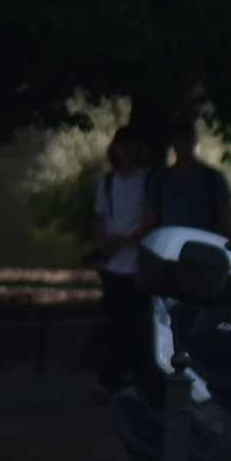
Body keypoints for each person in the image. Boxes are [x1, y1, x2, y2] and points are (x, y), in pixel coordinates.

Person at [93, 126, 158, 399]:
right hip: (113, 267)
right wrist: (104, 242)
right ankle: (150, 382)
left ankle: (107, 382)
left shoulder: (147, 180)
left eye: (132, 145)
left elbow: (150, 221)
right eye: (122, 145)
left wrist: (127, 240)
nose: (127, 151)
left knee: (125, 325)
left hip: (136, 265)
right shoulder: (107, 182)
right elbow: (99, 218)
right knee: (127, 327)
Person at [150, 122, 231, 236]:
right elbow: (149, 221)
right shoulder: (161, 179)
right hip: (170, 249)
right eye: (179, 139)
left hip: (203, 249)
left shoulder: (212, 178)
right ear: (172, 142)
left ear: (194, 141)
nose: (183, 144)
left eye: (187, 139)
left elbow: (227, 224)